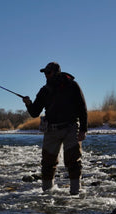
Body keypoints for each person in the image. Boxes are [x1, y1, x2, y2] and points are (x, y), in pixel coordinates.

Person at [23, 62, 87, 195]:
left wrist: (83, 130)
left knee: (73, 161)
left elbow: (82, 108)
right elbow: (35, 112)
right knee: (47, 163)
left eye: (48, 72)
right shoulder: (44, 90)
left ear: (56, 72)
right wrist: (28, 104)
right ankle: (47, 194)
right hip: (51, 130)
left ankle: (75, 193)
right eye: (44, 73)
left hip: (71, 128)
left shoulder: (72, 85)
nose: (46, 75)